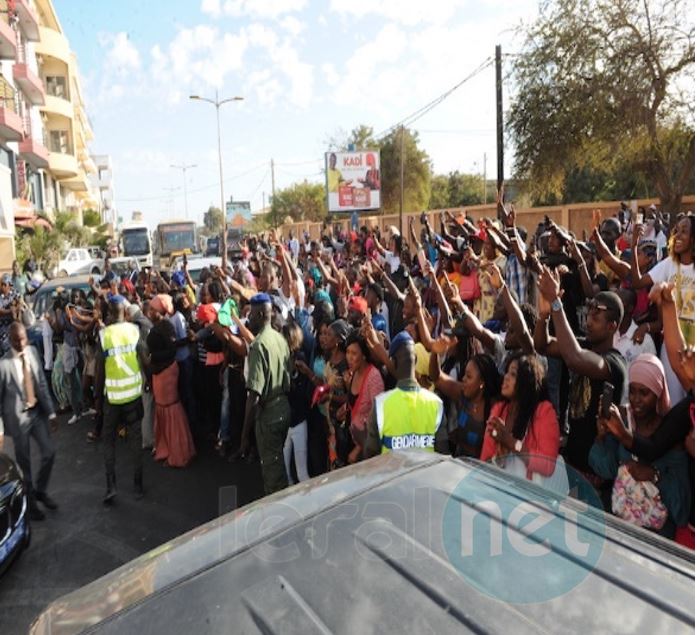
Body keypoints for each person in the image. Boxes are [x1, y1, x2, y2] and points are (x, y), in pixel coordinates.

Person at [535, 271, 627, 487]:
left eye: (597, 315)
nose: (588, 319)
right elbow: (542, 345)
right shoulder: (584, 344)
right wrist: (544, 314)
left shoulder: (614, 363)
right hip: (573, 462)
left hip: (596, 472)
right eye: (589, 311)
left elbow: (574, 358)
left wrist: (557, 302)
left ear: (612, 325)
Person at [591, 354, 690, 537]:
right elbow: (604, 470)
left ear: (658, 392)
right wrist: (601, 436)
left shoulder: (671, 438)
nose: (636, 399)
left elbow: (682, 510)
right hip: (619, 530)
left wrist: (655, 476)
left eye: (644, 393)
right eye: (632, 391)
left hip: (655, 540)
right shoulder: (624, 424)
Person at [0, 323, 58, 520]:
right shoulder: (3, 364)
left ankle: (40, 491)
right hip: (17, 420)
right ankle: (31, 503)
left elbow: (41, 382)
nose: (21, 343)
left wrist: (51, 413)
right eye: (17, 340)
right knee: (24, 465)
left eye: (23, 338)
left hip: (36, 414)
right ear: (10, 340)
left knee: (49, 452)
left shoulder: (32, 351)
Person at [95, 295, 148, 504]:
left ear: (109, 314)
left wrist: (97, 400)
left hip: (112, 401)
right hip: (134, 397)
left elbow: (99, 372)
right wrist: (149, 380)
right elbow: (144, 358)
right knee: (136, 442)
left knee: (109, 442)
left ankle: (111, 487)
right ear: (124, 313)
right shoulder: (134, 330)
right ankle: (138, 486)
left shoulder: (103, 336)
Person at [237, 293, 291, 494]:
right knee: (279, 464)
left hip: (269, 414)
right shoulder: (279, 338)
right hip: (283, 407)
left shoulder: (259, 346)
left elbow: (254, 395)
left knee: (273, 475)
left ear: (260, 315)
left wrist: (244, 436)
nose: (248, 318)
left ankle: (280, 519)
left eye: (251, 314)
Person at [480, 353, 562, 484]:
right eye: (506, 372)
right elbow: (485, 460)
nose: (505, 377)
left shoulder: (544, 412)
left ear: (526, 380)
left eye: (512, 374)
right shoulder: (498, 410)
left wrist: (511, 442)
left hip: (530, 497)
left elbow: (548, 466)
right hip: (498, 489)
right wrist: (500, 457)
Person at [364, 331, 447, 457]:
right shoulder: (436, 403)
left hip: (393, 476)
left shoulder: (381, 404)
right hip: (427, 476)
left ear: (394, 362)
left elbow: (370, 454)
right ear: (416, 360)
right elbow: (443, 452)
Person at [147, 319, 196, 468]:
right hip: (165, 372)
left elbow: (169, 349)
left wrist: (151, 359)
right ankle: (170, 449)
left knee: (168, 407)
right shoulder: (164, 336)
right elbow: (173, 347)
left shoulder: (156, 338)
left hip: (164, 374)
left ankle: (177, 452)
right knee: (166, 407)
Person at [341, 330, 384, 463]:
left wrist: (359, 448)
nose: (349, 357)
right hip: (353, 440)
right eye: (347, 352)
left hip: (367, 448)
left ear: (364, 355)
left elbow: (377, 418)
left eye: (354, 353)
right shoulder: (353, 373)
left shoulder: (374, 378)